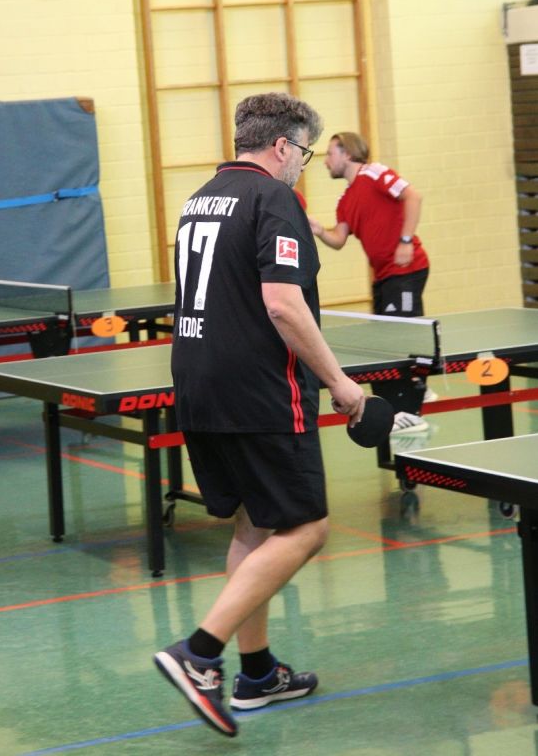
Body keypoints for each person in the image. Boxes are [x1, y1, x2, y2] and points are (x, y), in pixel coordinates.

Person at [154, 93, 366, 737]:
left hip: (198, 385)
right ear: (281, 146)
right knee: (307, 528)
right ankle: (199, 653)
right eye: (304, 152)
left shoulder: (202, 197)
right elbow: (282, 304)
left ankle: (257, 673)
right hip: (259, 391)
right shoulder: (274, 199)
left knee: (254, 523)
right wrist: (339, 382)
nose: (303, 164)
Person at [308, 132, 432, 435]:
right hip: (384, 276)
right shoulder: (345, 200)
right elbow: (339, 239)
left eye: (330, 154)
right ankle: (407, 398)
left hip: (406, 269)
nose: (325, 161)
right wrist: (319, 231)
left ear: (347, 153)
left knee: (403, 337)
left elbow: (413, 196)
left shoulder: (375, 173)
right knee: (386, 342)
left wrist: (405, 240)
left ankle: (414, 403)